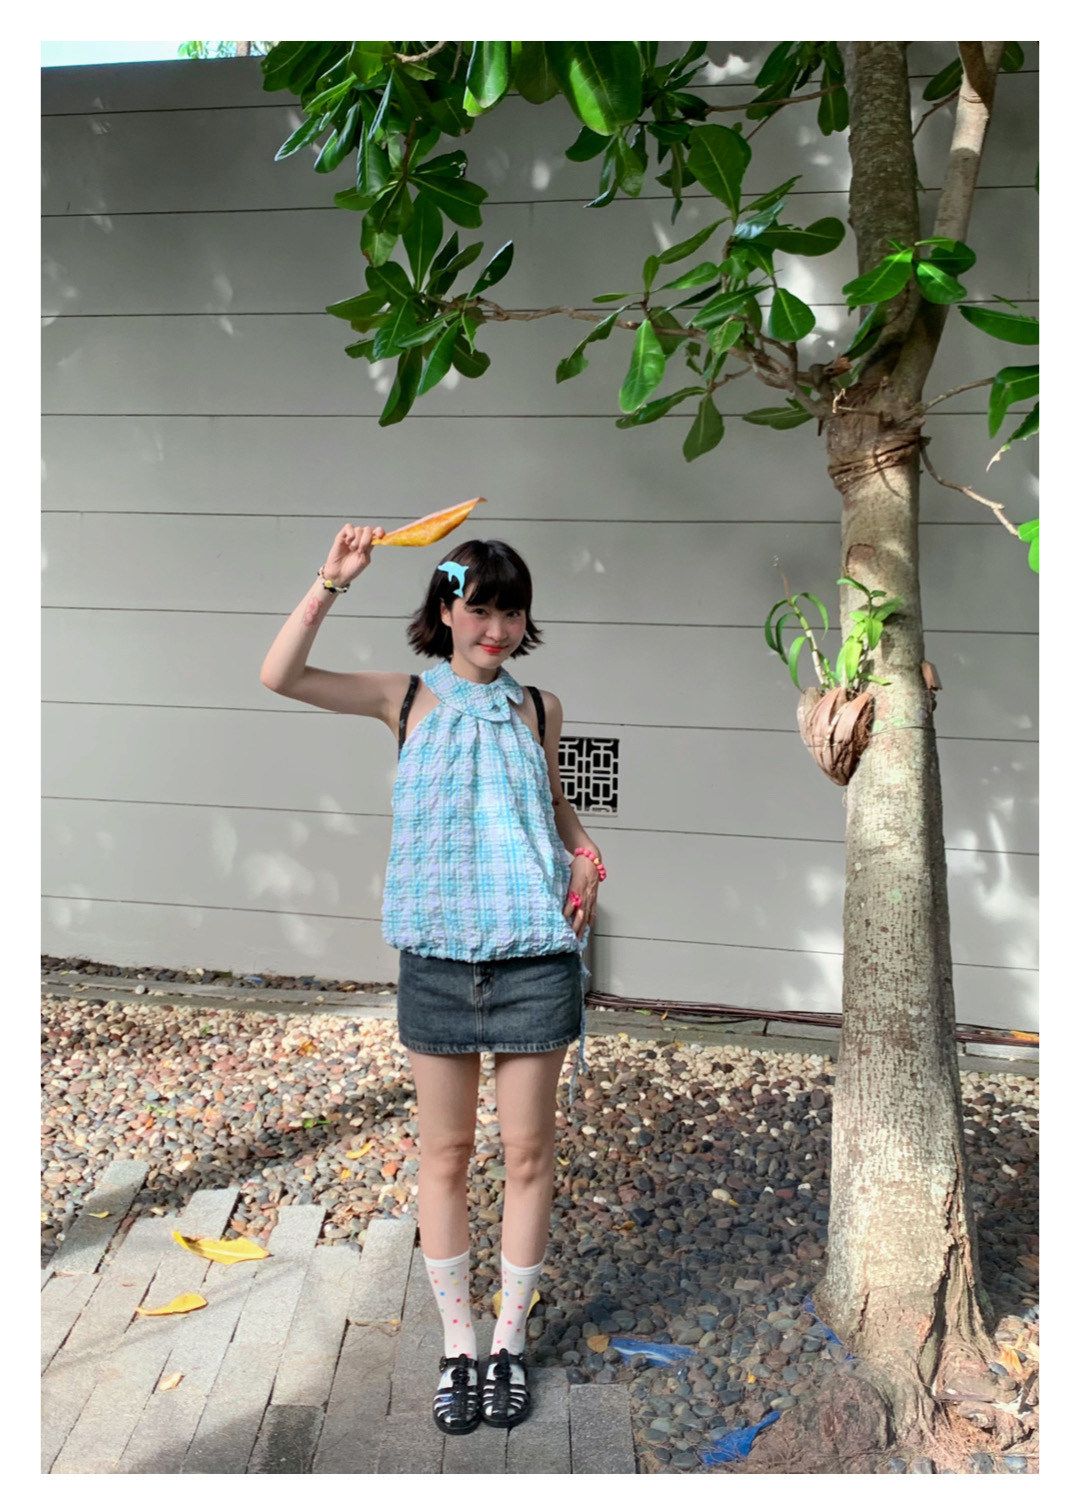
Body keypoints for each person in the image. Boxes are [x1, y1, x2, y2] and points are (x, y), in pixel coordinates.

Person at [259, 523, 606, 1436]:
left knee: (529, 1154)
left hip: (534, 958)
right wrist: (331, 580)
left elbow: (554, 808)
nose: (496, 628)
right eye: (479, 608)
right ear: (446, 611)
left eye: (511, 611)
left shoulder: (540, 709)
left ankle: (508, 1344)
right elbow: (281, 675)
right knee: (445, 1156)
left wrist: (584, 855)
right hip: (439, 962)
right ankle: (458, 1348)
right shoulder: (405, 697)